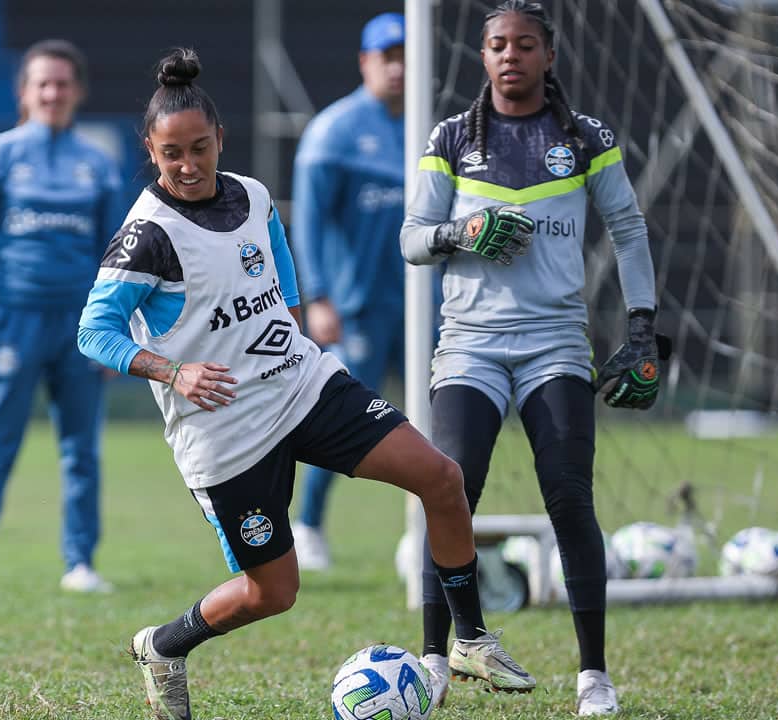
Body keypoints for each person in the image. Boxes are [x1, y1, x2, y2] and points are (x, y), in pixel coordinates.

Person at [77, 48, 513, 720]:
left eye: (199, 148)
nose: (188, 166)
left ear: (220, 138)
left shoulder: (251, 195)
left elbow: (280, 279)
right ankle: (165, 645)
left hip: (305, 388)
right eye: (171, 155)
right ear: (150, 151)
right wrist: (173, 369)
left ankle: (472, 638)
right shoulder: (147, 237)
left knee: (442, 478)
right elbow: (93, 331)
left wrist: (292, 334)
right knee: (274, 592)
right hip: (226, 436)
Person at [400, 1, 661, 714]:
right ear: (481, 56)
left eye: (524, 44)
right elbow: (412, 240)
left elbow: (629, 230)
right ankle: (433, 664)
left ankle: (594, 677)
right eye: (496, 45)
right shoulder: (451, 138)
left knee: (570, 497)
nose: (509, 55)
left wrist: (642, 329)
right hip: (470, 347)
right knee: (448, 490)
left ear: (549, 55)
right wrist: (463, 231)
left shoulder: (585, 138)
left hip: (554, 345)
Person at [0, 39, 127, 595]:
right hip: (12, 319)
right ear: (24, 91)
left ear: (79, 92)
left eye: (63, 83)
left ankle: (80, 565)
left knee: (82, 450)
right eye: (42, 83)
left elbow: (120, 253)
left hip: (81, 325)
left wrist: (118, 329)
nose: (52, 93)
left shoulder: (99, 164)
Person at [289, 12, 408, 572]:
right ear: (366, 62)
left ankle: (431, 529)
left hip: (425, 305)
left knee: (442, 417)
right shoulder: (334, 131)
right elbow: (308, 223)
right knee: (344, 419)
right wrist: (318, 297)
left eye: (408, 55)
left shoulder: (432, 130)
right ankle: (308, 524)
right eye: (389, 56)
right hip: (357, 308)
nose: (400, 67)